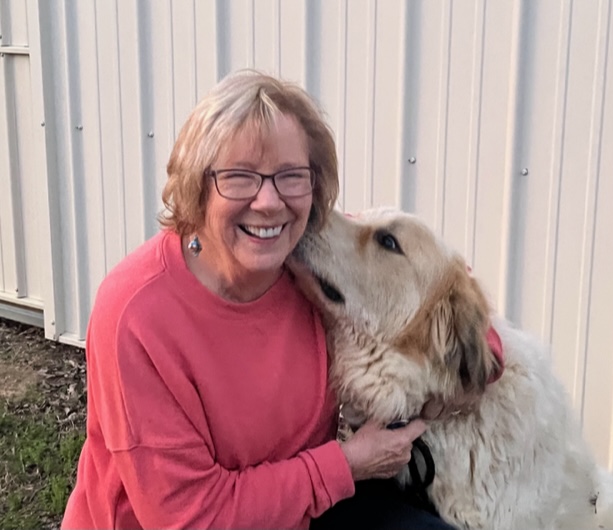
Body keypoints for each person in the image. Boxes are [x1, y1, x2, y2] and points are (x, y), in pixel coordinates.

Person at [61, 69, 455, 529]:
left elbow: (444, 297)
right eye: (239, 176)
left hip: (298, 508)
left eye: (291, 176)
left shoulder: (306, 264)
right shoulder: (137, 316)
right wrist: (347, 465)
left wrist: (481, 354)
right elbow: (191, 519)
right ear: (198, 185)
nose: (268, 202)